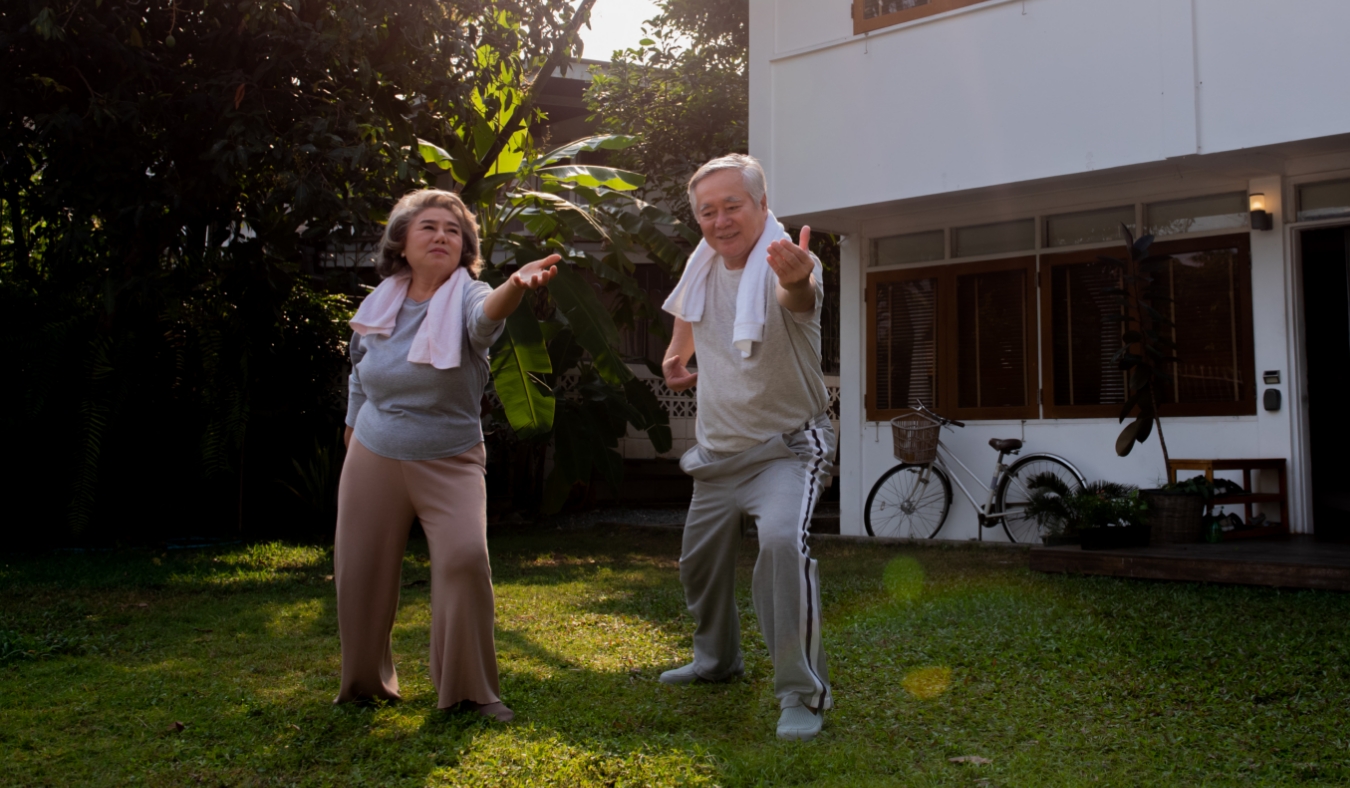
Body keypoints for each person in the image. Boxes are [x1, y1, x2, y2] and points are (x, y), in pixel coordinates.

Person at [334, 188, 557, 722]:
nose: (442, 236)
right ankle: (364, 684)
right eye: (429, 227)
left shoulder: (468, 295)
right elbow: (359, 375)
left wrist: (514, 286)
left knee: (464, 560)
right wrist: (352, 440)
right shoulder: (379, 302)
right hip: (373, 453)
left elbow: (486, 319)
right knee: (360, 570)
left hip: (450, 458)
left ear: (464, 248)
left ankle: (470, 691)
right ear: (402, 243)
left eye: (453, 231)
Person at [659, 154, 835, 741]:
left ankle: (800, 693)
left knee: (781, 545)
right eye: (708, 211)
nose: (720, 220)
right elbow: (689, 308)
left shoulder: (788, 263)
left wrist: (796, 278)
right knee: (699, 566)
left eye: (732, 206)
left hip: (786, 450)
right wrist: (676, 354)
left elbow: (798, 298)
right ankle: (716, 661)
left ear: (762, 206)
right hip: (716, 455)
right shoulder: (702, 265)